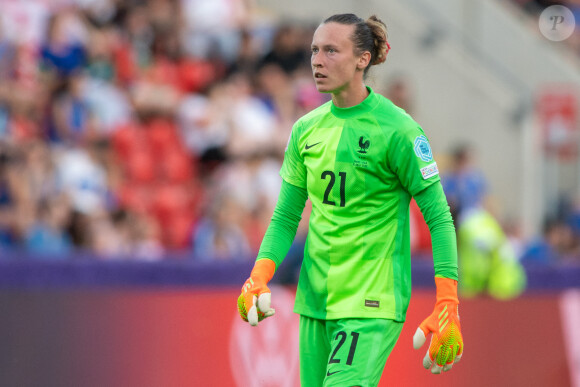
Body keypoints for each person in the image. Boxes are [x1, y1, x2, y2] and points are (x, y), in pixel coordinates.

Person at [237, 13, 464, 386]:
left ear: (363, 59)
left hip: (371, 302)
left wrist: (447, 301)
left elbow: (439, 218)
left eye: (330, 50)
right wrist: (258, 276)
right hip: (315, 300)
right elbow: (284, 218)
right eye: (314, 50)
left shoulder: (400, 131)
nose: (317, 60)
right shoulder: (305, 131)